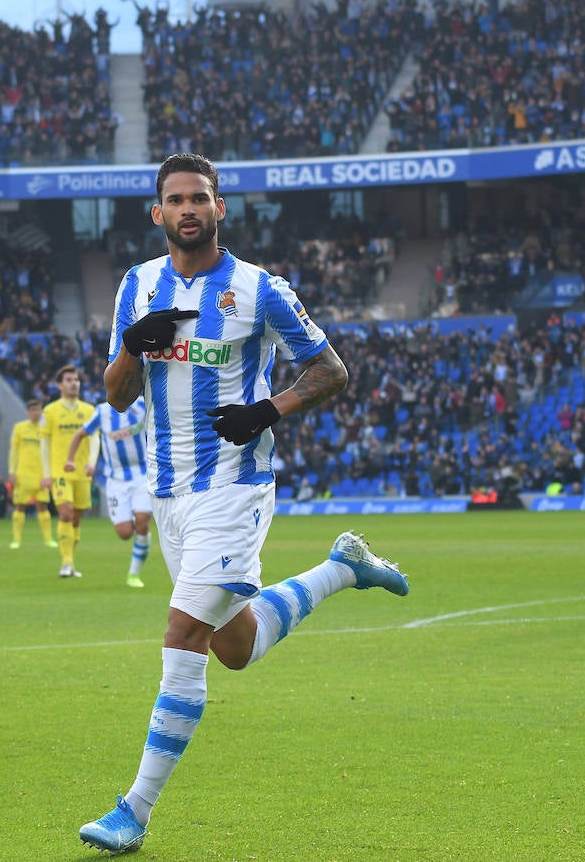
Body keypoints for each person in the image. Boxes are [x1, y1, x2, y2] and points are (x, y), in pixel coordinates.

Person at [78, 153, 409, 854]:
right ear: (158, 213)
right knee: (233, 646)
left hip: (235, 487)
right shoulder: (137, 287)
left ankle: (133, 810)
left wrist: (268, 410)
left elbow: (330, 370)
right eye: (176, 199)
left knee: (182, 638)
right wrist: (135, 348)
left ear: (220, 207)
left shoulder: (259, 290)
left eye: (200, 196)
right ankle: (344, 569)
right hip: (168, 492)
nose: (188, 208)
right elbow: (114, 393)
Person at [65, 398, 151, 588]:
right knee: (124, 532)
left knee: (142, 521)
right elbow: (80, 434)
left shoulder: (143, 405)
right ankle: (141, 536)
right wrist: (70, 459)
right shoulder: (102, 412)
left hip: (142, 474)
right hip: (116, 480)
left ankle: (134, 574)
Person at [39, 365, 97, 578]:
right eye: (70, 380)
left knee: (76, 519)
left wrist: (92, 461)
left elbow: (95, 438)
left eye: (76, 380)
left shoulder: (89, 410)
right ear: (60, 385)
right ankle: (66, 562)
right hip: (59, 472)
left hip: (82, 473)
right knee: (65, 513)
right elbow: (44, 443)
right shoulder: (50, 411)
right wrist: (46, 473)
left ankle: (71, 564)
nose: (75, 383)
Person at [6, 398, 57, 549]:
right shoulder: (19, 428)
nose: (36, 413)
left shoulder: (46, 429)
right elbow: (14, 451)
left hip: (41, 474)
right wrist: (12, 471)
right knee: (20, 506)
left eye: (38, 410)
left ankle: (48, 539)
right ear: (28, 412)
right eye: (33, 410)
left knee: (42, 506)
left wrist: (50, 474)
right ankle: (16, 539)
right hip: (24, 474)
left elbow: (52, 452)